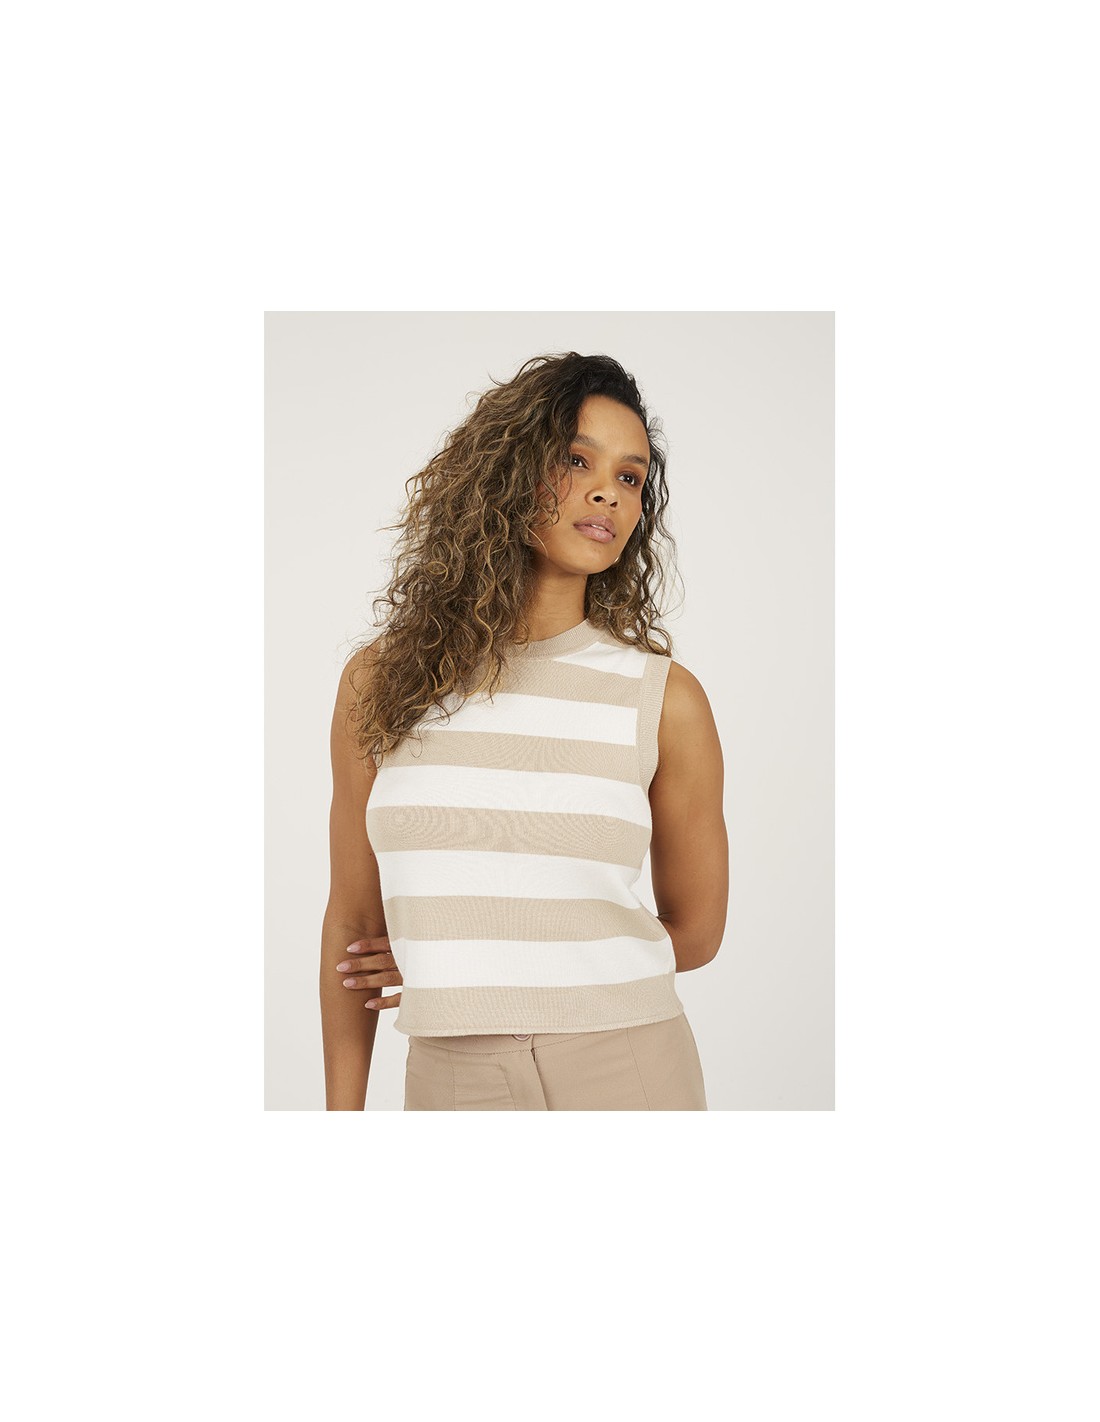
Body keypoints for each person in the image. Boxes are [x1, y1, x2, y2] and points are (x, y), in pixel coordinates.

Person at [320, 352, 728, 1110]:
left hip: (628, 1067)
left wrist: (496, 962)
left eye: (631, 477)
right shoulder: (381, 683)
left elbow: (698, 932)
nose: (608, 491)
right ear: (504, 471)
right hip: (448, 1079)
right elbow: (354, 921)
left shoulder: (664, 699)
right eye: (576, 460)